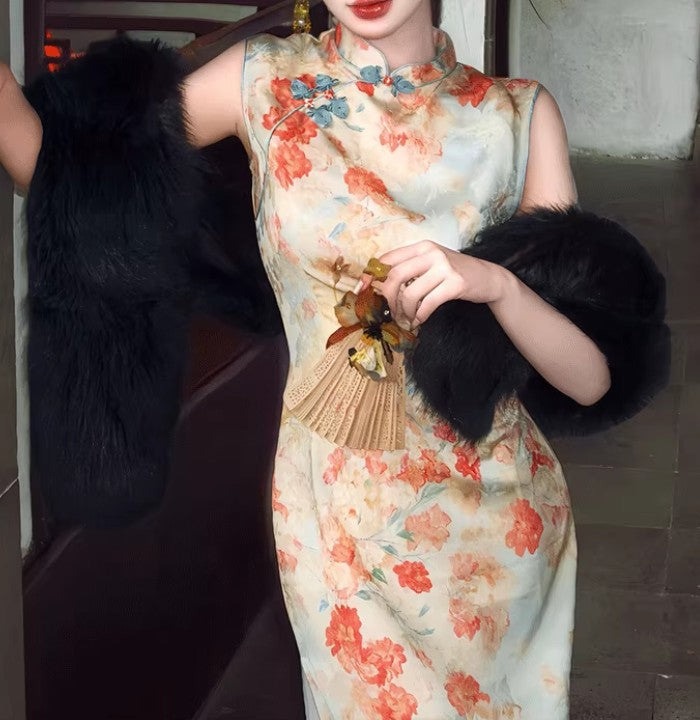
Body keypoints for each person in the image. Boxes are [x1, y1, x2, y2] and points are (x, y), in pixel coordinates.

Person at [1, 1, 613, 718]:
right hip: (332, 519)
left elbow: (590, 379)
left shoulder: (517, 117)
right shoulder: (265, 82)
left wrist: (499, 286)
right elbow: (72, 178)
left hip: (492, 531)